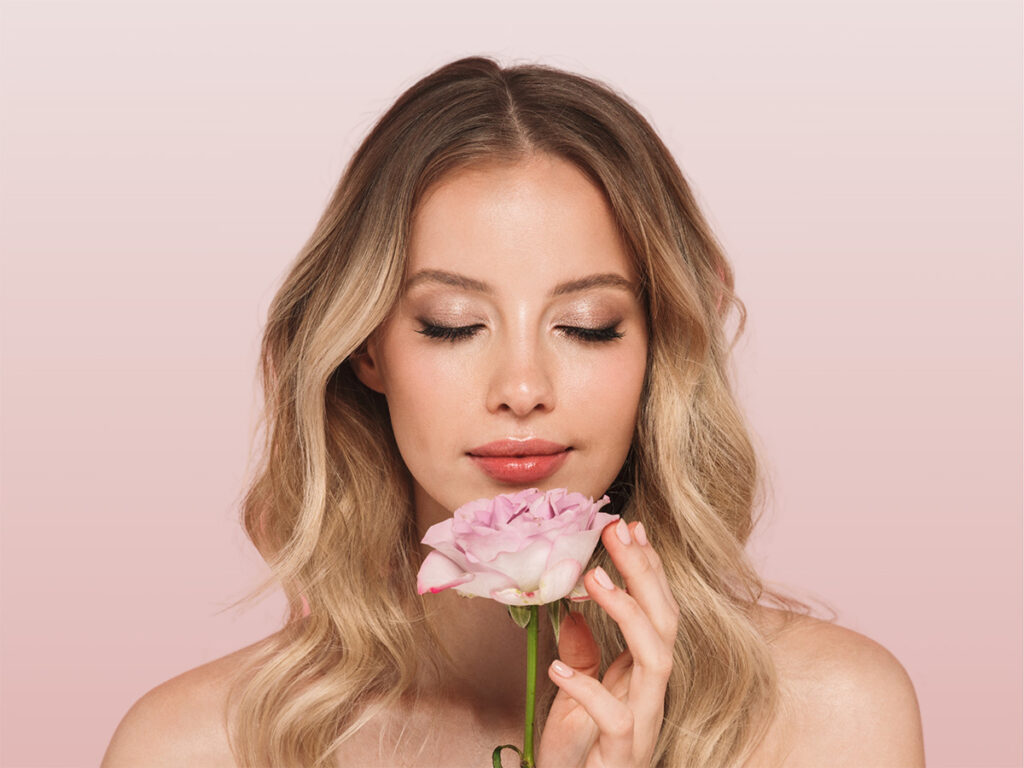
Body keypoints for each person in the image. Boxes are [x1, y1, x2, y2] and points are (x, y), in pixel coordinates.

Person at [100, 56, 925, 768]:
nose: (522, 385)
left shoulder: (831, 718)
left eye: (586, 326)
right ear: (366, 349)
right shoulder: (197, 746)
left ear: (656, 346)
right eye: (453, 324)